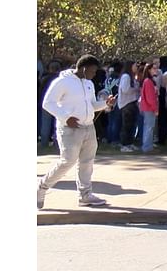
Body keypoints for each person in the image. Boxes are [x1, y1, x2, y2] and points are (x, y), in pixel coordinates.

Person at [38, 55, 117, 209]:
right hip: (69, 129)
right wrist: (66, 118)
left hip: (88, 127)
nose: (94, 75)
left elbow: (92, 105)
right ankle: (42, 187)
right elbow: (47, 103)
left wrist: (105, 104)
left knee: (87, 162)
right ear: (84, 69)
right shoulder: (62, 82)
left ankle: (85, 195)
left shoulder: (88, 83)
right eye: (93, 71)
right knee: (67, 161)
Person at [118, 61, 140, 152]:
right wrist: (135, 89)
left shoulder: (132, 77)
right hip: (126, 103)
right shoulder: (126, 77)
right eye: (135, 65)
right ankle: (124, 145)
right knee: (126, 125)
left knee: (132, 125)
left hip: (132, 102)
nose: (136, 67)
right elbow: (125, 90)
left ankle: (130, 143)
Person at [39, 60, 62, 147]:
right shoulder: (61, 79)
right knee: (58, 124)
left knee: (45, 124)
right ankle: (57, 143)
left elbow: (41, 91)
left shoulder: (45, 79)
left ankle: (43, 143)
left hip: (46, 103)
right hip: (58, 104)